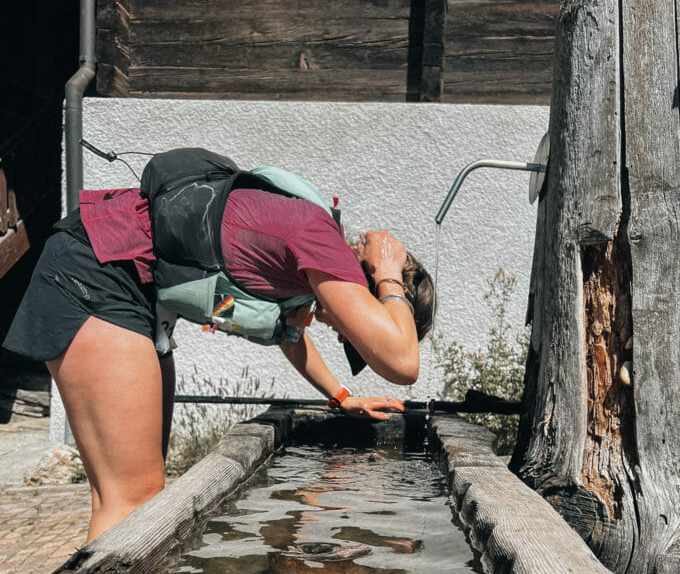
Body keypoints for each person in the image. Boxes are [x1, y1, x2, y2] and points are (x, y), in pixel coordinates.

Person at [3, 150, 435, 542]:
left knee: (132, 498)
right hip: (100, 270)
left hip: (132, 293)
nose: (346, 337)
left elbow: (291, 335)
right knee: (132, 501)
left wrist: (341, 397)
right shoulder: (321, 240)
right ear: (376, 289)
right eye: (357, 335)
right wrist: (389, 273)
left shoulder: (313, 263)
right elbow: (402, 362)